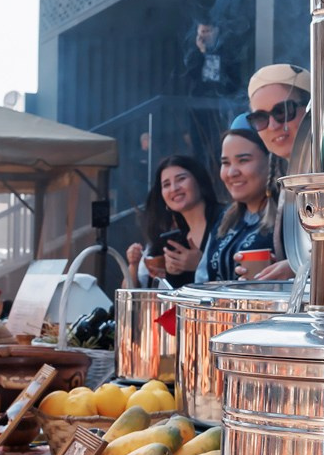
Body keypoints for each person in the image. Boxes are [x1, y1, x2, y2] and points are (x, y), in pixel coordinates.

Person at [243, 62, 311, 280]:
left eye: (282, 111)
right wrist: (271, 271)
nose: (272, 125)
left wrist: (300, 267)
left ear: (310, 109)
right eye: (260, 118)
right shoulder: (289, 177)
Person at [195, 117, 277, 282]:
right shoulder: (225, 219)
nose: (232, 173)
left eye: (243, 160)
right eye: (225, 163)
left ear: (270, 162)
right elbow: (201, 280)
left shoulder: (288, 216)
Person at [126, 155, 222, 290]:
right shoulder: (175, 238)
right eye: (166, 184)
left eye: (181, 179)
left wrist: (199, 265)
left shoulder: (224, 221)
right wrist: (168, 276)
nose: (174, 188)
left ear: (199, 180)